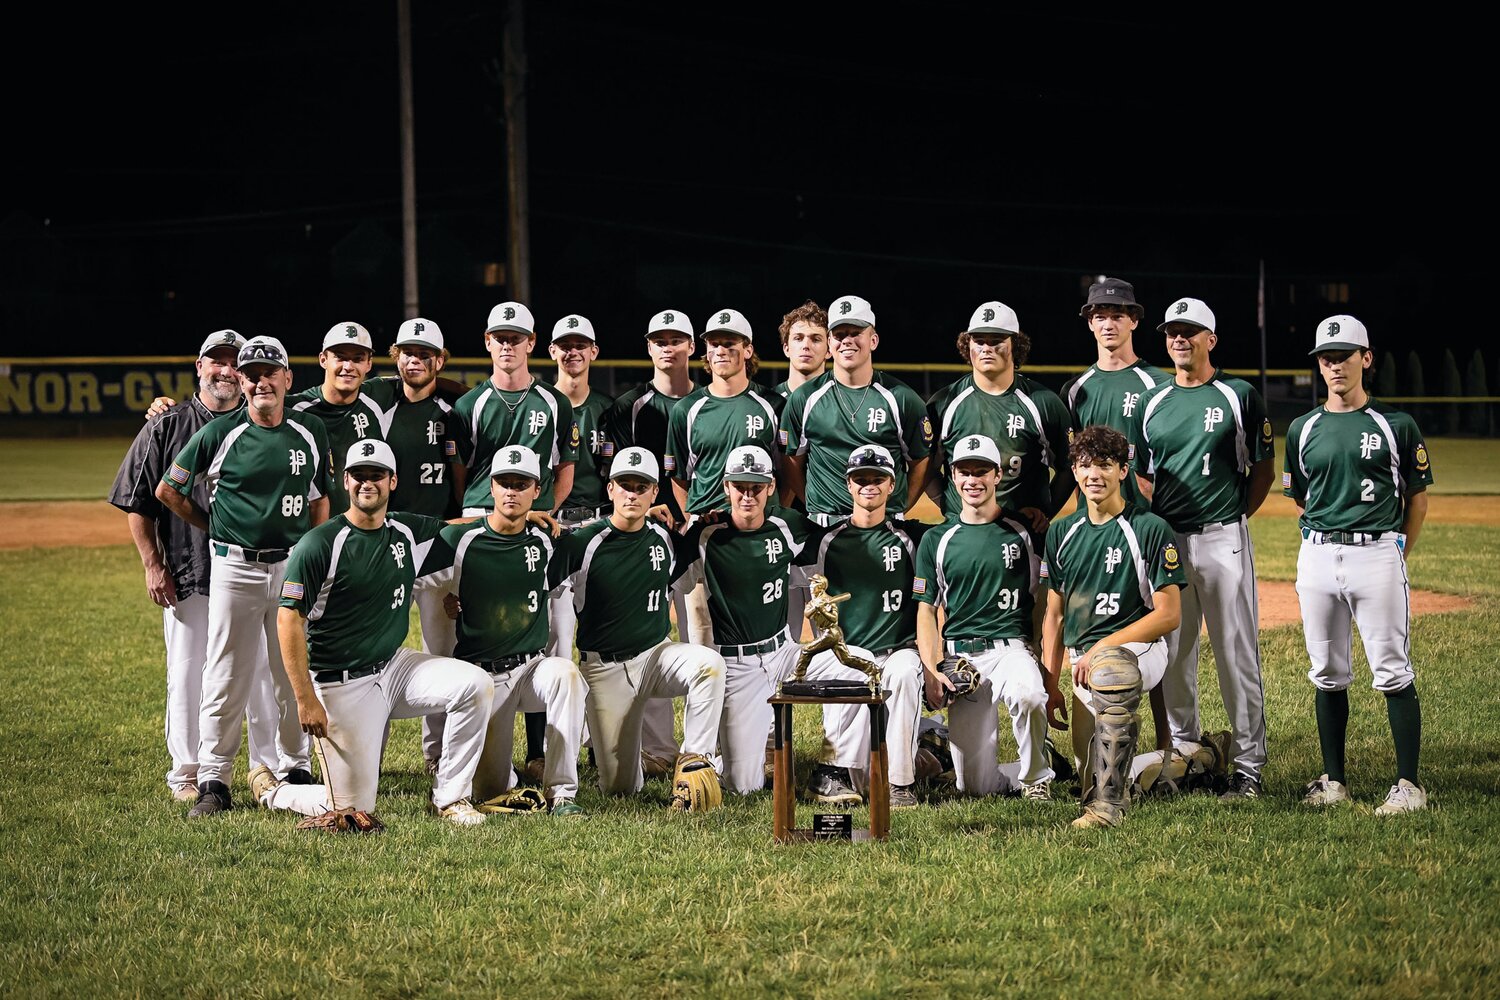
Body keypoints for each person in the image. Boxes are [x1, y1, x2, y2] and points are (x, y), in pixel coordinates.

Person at [250, 440, 495, 826]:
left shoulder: (404, 529)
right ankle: (275, 791)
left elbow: (456, 528)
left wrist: (520, 518)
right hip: (341, 683)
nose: (368, 483)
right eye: (359, 475)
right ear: (345, 481)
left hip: (395, 667)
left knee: (475, 684)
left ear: (392, 481)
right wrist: (305, 699)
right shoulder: (319, 544)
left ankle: (451, 798)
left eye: (376, 475)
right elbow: (288, 619)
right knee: (353, 809)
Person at [154, 335, 327, 818]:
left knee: (290, 671)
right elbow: (169, 490)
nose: (259, 380)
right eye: (251, 373)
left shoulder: (309, 430)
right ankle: (215, 777)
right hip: (235, 567)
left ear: (288, 379)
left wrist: (312, 560)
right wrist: (215, 528)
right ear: (243, 382)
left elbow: (320, 502)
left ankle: (296, 768)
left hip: (292, 565)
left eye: (270, 371)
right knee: (227, 673)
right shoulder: (219, 432)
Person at [109, 330, 285, 801]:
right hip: (189, 571)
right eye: (216, 361)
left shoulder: (271, 420)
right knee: (189, 673)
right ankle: (187, 772)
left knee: (263, 674)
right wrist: (152, 564)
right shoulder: (166, 425)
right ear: (199, 367)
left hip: (255, 572)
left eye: (235, 362)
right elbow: (139, 502)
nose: (226, 370)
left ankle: (266, 768)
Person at [1286, 315, 1431, 815]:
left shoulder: (1396, 425)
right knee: (1326, 671)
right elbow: (1303, 497)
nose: (1334, 366)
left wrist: (1395, 551)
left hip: (1378, 553)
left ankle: (1409, 785)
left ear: (1365, 359)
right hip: (1319, 554)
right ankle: (1334, 781)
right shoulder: (1302, 429)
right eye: (1326, 358)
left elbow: (1416, 498)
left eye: (1344, 356)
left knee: (1392, 671)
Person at [1136, 297, 1276, 799]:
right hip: (1171, 539)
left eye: (1190, 331)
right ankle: (1187, 754)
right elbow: (1144, 476)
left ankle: (1249, 766)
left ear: (1210, 340)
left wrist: (1234, 517)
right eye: (1173, 330)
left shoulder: (1238, 395)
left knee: (1236, 652)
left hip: (1222, 536)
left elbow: (1262, 471)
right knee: (1175, 654)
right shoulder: (1155, 400)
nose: (1179, 338)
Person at [678, 445, 874, 796]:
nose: (748, 495)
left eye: (756, 487)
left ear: (771, 487)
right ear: (726, 487)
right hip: (737, 665)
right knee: (743, 786)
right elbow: (662, 567)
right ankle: (717, 762)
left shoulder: (790, 524)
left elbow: (838, 541)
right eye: (740, 486)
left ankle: (836, 769)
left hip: (785, 653)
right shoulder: (706, 535)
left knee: (863, 667)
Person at [549, 447, 726, 797]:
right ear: (610, 489)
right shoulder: (582, 543)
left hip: (656, 657)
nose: (632, 493)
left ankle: (695, 766)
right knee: (620, 788)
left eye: (641, 486)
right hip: (605, 670)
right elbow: (538, 589)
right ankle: (627, 767)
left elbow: (694, 556)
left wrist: (712, 520)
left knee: (709, 665)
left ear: (654, 493)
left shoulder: (663, 537)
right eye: (624, 485)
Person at [1040, 425, 1194, 828]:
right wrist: (1050, 683)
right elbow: (1053, 616)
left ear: (1124, 471)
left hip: (1139, 648)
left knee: (1111, 671)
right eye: (1085, 465)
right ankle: (1187, 759)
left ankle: (1109, 808)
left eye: (1106, 465)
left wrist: (1101, 647)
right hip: (1081, 660)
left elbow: (1168, 614)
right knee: (1086, 774)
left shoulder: (1148, 528)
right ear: (1073, 471)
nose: (1095, 474)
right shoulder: (1061, 532)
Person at [421, 446, 587, 816]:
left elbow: (604, 536)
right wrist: (449, 598)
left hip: (530, 669)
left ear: (536, 490)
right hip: (482, 678)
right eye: (504, 483)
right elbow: (412, 575)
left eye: (520, 484)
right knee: (489, 788)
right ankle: (481, 780)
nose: (511, 491)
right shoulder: (460, 542)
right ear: (490, 489)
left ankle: (563, 793)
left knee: (566, 674)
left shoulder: (548, 541)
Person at [1061, 276, 1174, 749]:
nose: (1108, 322)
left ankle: (1170, 745)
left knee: (1155, 637)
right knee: (1095, 627)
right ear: (1089, 324)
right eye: (1099, 315)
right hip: (1098, 528)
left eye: (1117, 314)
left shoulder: (1158, 382)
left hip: (1146, 526)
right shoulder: (1077, 390)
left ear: (1133, 321)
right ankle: (1097, 746)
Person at [913, 434, 1053, 798]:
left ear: (997, 476)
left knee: (1029, 696)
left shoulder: (1024, 531)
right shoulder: (936, 539)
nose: (973, 480)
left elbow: (1042, 600)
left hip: (1010, 649)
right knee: (976, 788)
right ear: (953, 477)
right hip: (962, 660)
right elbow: (926, 611)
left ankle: (1037, 778)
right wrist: (933, 670)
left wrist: (1038, 654)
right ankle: (1025, 768)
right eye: (964, 472)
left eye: (981, 471)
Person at [797, 444, 927, 807]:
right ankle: (834, 771)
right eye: (861, 479)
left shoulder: (913, 538)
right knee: (856, 781)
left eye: (878, 479)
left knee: (902, 673)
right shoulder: (825, 541)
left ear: (891, 485)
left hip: (899, 651)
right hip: (850, 656)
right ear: (849, 486)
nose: (869, 485)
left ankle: (901, 784)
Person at [601, 309, 699, 770]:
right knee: (651, 636)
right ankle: (658, 750)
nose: (667, 346)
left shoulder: (707, 403)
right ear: (648, 347)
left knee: (705, 643)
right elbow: (624, 477)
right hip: (649, 536)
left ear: (691, 348)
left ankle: (709, 747)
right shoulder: (628, 408)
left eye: (676, 339)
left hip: (698, 536)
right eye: (658, 339)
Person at [666, 308, 785, 646]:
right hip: (707, 534)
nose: (720, 351)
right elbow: (679, 476)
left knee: (759, 629)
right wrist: (692, 515)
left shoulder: (771, 404)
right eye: (713, 344)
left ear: (747, 349)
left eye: (729, 343)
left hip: (756, 534)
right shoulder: (686, 410)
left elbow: (784, 470)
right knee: (701, 635)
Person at [782, 294, 932, 525]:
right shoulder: (805, 398)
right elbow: (792, 461)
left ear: (873, 340)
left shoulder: (901, 398)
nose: (847, 341)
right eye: (840, 335)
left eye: (855, 333)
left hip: (885, 525)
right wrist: (814, 503)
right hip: (824, 525)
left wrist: (899, 506)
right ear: (830, 343)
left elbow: (920, 462)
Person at [925, 301, 1072, 533]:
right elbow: (925, 465)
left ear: (1016, 345)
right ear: (967, 344)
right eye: (979, 340)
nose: (986, 348)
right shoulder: (944, 403)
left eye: (996, 341)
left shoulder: (1042, 403)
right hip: (961, 532)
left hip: (1022, 535)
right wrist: (947, 507)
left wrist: (1045, 511)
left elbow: (1069, 466)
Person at [453, 301, 577, 518]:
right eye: (500, 338)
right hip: (481, 512)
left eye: (515, 339)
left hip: (535, 514)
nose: (507, 346)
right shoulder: (469, 404)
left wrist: (547, 509)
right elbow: (458, 474)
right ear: (487, 341)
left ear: (531, 342)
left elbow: (565, 472)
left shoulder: (556, 402)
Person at [288, 322, 392, 515]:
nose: (348, 367)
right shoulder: (295, 409)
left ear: (369, 363)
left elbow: (426, 381)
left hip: (362, 530)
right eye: (340, 357)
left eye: (357, 359)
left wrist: (462, 394)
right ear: (323, 359)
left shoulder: (379, 397)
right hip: (308, 531)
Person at [772, 300, 829, 399]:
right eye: (798, 339)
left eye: (816, 340)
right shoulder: (769, 403)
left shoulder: (842, 402)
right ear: (786, 349)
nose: (806, 345)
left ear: (829, 350)